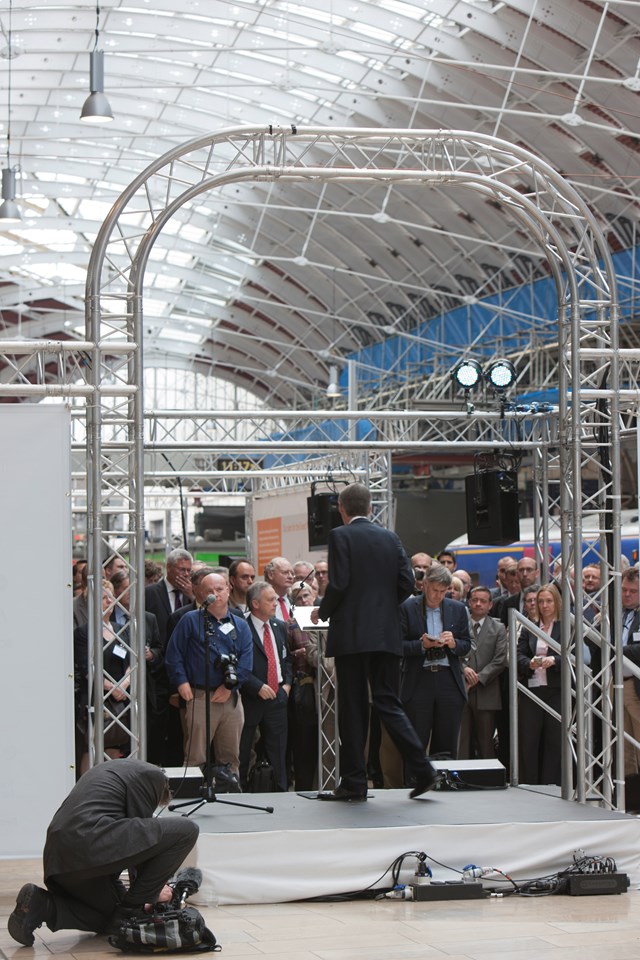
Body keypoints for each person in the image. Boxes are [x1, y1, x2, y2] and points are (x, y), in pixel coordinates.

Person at [310, 481, 438, 801]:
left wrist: (323, 612)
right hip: (386, 635)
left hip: (352, 635)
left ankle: (354, 782)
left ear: (341, 509)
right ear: (370, 508)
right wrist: (382, 611)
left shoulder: (340, 535)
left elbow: (338, 584)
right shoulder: (390, 537)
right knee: (388, 702)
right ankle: (422, 767)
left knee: (352, 708)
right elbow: (408, 584)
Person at [7, 759, 198, 946]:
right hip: (89, 842)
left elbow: (130, 844)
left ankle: (43, 905)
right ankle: (131, 912)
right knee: (187, 830)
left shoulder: (109, 772)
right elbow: (141, 851)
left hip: (60, 857)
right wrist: (149, 897)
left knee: (114, 920)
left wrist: (131, 903)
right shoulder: (152, 776)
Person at [164, 572, 252, 774]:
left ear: (228, 590)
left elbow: (247, 662)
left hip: (231, 699)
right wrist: (181, 682)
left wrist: (231, 686)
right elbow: (173, 654)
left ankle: (230, 794)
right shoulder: (190, 620)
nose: (215, 594)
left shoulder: (240, 624)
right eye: (209, 591)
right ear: (200, 595)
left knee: (231, 756)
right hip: (200, 695)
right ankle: (190, 798)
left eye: (219, 589)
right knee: (195, 756)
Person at [400, 563, 471, 761]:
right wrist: (421, 645)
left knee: (447, 743)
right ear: (424, 585)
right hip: (418, 679)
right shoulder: (407, 607)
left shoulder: (457, 609)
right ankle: (415, 785)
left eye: (442, 591)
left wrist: (453, 643)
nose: (437, 595)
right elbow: (397, 646)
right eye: (434, 590)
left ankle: (446, 784)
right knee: (415, 742)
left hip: (448, 678)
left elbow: (467, 644)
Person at [240, 580, 293, 791]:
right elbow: (237, 662)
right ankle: (241, 791)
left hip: (278, 697)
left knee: (278, 751)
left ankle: (281, 791)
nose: (275, 603)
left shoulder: (279, 626)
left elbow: (286, 659)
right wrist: (256, 686)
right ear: (255, 603)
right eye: (270, 600)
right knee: (243, 750)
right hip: (250, 697)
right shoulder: (241, 626)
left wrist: (287, 684)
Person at [517, 583, 562, 785]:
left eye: (549, 601)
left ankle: (551, 784)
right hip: (532, 689)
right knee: (529, 739)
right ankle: (529, 784)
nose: (544, 605)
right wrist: (529, 664)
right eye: (541, 601)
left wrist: (554, 661)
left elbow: (575, 655)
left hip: (556, 689)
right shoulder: (530, 626)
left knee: (554, 739)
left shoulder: (565, 626)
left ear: (557, 602)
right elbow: (519, 654)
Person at [458, 586, 508, 759]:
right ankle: (460, 779)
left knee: (486, 742)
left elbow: (500, 660)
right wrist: (463, 669)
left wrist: (478, 678)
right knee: (461, 742)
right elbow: (451, 653)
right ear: (469, 602)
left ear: (490, 605)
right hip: (462, 689)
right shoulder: (459, 624)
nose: (478, 604)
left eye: (483, 601)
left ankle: (487, 781)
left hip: (487, 692)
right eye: (475, 600)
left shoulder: (499, 628)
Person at [264, 556, 295, 620]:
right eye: (285, 572)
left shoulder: (295, 601)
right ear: (271, 575)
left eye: (292, 573)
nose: (290, 577)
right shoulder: (262, 603)